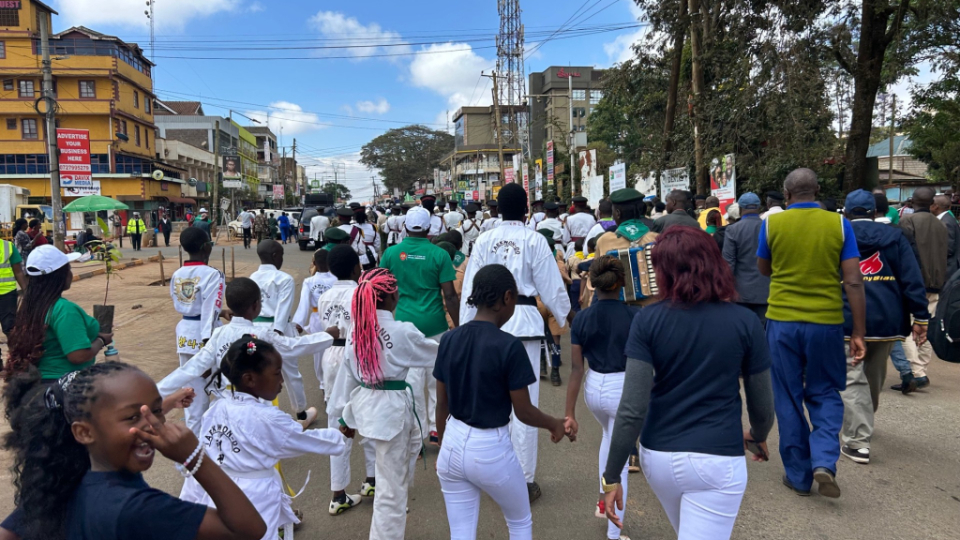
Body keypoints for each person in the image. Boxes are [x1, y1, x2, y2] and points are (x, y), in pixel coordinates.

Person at [599, 226, 774, 540]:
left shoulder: (647, 320)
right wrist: (757, 434)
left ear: (662, 273)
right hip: (718, 459)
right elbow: (762, 403)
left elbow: (632, 408)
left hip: (660, 457)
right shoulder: (746, 322)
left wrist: (612, 477)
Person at [0, 362, 267, 540]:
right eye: (132, 418)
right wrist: (194, 456)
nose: (151, 425)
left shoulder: (60, 487)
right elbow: (250, 529)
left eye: (156, 411)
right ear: (83, 432)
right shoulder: (136, 508)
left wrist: (167, 403)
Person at [435, 264, 570, 540]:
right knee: (519, 522)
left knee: (461, 531)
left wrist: (445, 444)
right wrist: (554, 424)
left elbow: (441, 403)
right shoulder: (509, 346)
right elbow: (523, 412)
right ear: (508, 298)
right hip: (489, 449)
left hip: (451, 444)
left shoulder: (449, 339)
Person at [757, 168, 866, 498]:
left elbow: (764, 268)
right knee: (826, 391)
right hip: (826, 323)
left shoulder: (772, 223)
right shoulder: (838, 224)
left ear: (786, 194)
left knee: (788, 396)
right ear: (817, 191)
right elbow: (853, 280)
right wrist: (859, 331)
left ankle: (799, 476)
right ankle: (824, 461)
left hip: (782, 322)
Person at [459, 183, 571, 501]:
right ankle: (523, 480)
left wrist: (467, 328)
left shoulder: (484, 239)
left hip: (489, 324)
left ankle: (492, 473)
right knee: (525, 404)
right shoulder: (534, 240)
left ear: (496, 209)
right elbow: (551, 286)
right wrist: (567, 317)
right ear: (526, 209)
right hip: (524, 326)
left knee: (494, 402)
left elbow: (472, 286)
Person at [179, 337, 349, 539]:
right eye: (277, 373)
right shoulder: (267, 418)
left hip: (216, 492)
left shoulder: (216, 408)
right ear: (250, 379)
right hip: (254, 498)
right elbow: (300, 439)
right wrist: (338, 435)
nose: (282, 380)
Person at [328, 268, 441, 540]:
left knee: (391, 478)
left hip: (366, 407)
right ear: (392, 297)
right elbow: (437, 354)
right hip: (391, 411)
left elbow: (349, 376)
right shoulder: (402, 331)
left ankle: (391, 525)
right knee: (391, 488)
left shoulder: (357, 332)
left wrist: (344, 417)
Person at [157, 277, 338, 431]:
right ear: (256, 306)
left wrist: (156, 391)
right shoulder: (262, 335)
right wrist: (327, 336)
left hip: (224, 410)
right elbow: (294, 346)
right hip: (257, 409)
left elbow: (189, 369)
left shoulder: (219, 334)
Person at [838, 190, 929, 465]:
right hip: (887, 318)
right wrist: (921, 317)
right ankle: (863, 424)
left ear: (847, 212)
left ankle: (857, 440)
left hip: (849, 316)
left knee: (852, 377)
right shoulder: (896, 237)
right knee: (874, 376)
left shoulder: (839, 236)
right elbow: (912, 277)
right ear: (876, 211)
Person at [563, 256, 639, 539]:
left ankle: (601, 500)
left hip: (593, 387)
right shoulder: (635, 316)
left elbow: (574, 369)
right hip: (624, 387)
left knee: (609, 440)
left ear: (592, 284)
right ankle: (613, 531)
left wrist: (569, 413)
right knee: (619, 456)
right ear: (621, 283)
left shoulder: (582, 317)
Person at [380, 206, 459, 447]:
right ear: (428, 229)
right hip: (435, 325)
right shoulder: (439, 255)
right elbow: (450, 296)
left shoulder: (392, 253)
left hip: (403, 325)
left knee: (412, 380)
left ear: (404, 227)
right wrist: (459, 327)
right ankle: (437, 430)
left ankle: (417, 432)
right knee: (438, 380)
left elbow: (382, 289)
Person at [316, 246, 378, 515]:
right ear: (357, 269)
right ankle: (372, 479)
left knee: (336, 422)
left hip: (331, 355)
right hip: (357, 353)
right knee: (369, 416)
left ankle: (338, 492)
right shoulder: (361, 293)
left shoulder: (325, 295)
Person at [1, 246, 111, 382]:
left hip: (38, 383)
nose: (70, 273)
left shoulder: (30, 306)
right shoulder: (64, 309)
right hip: (64, 384)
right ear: (59, 276)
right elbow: (78, 356)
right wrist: (101, 340)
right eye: (69, 269)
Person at [169, 227, 225, 435]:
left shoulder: (177, 274)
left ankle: (193, 454)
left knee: (192, 396)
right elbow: (210, 312)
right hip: (206, 337)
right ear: (206, 247)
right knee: (220, 392)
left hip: (185, 333)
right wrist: (207, 351)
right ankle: (217, 443)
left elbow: (180, 301)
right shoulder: (213, 275)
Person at [250, 240, 312, 424]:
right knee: (291, 373)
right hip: (278, 330)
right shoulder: (284, 279)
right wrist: (276, 334)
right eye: (282, 255)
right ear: (276, 256)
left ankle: (262, 414)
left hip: (255, 330)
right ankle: (300, 412)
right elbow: (283, 310)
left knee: (259, 372)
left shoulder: (252, 277)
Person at [896, 186, 948, 391]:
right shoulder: (941, 224)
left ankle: (917, 372)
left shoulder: (907, 222)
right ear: (931, 203)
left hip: (914, 282)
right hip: (936, 282)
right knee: (925, 324)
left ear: (911, 202)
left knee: (907, 328)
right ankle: (923, 369)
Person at [293, 249, 338, 392]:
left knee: (319, 353)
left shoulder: (309, 281)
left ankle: (323, 383)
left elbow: (304, 304)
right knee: (334, 350)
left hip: (317, 319)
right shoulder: (336, 279)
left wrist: (298, 323)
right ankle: (332, 380)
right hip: (334, 319)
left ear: (314, 264)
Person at [722, 193, 770, 324]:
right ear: (759, 208)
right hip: (766, 292)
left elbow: (728, 263)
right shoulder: (769, 227)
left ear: (740, 209)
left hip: (740, 293)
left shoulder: (732, 230)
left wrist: (725, 290)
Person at [932, 194, 960, 279]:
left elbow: (948, 248)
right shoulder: (946, 218)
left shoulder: (945, 222)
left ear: (935, 206)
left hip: (948, 268)